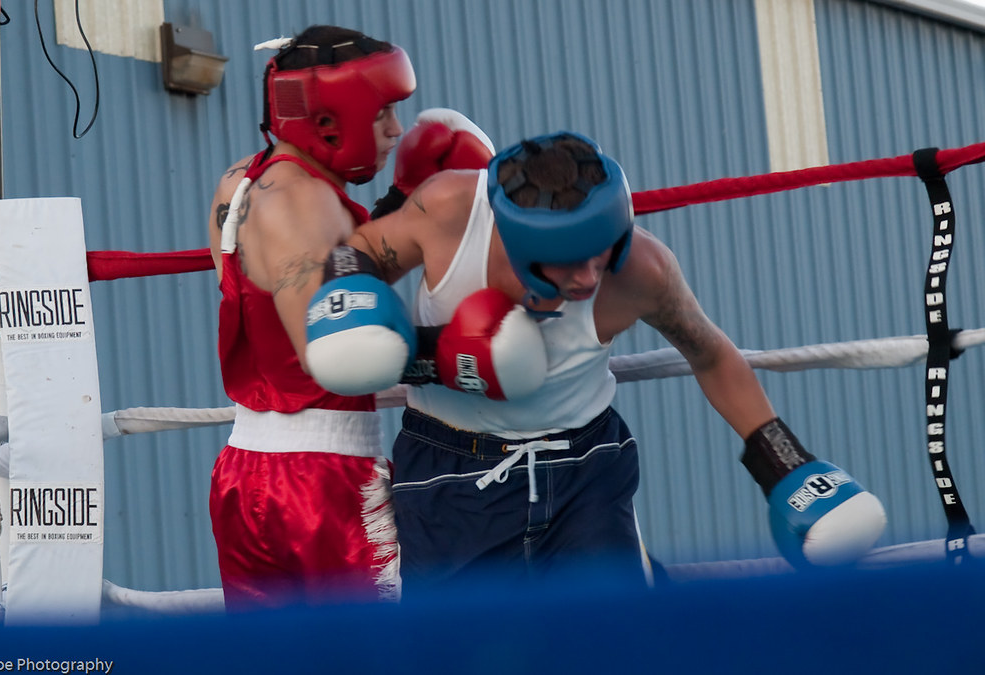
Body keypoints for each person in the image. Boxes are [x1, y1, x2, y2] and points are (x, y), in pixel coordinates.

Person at [305, 130, 888, 590]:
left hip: (585, 467)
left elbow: (710, 354)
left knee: (611, 645)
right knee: (460, 650)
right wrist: (428, 357)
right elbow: (352, 259)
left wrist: (785, 463)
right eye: (567, 263)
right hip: (451, 469)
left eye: (600, 254)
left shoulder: (642, 272)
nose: (588, 278)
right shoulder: (448, 212)